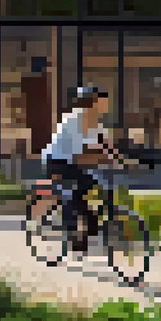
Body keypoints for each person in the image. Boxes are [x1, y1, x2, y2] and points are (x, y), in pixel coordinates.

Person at [41, 86, 119, 253]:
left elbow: (107, 145)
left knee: (90, 186)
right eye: (102, 101)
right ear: (91, 103)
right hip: (56, 161)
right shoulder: (73, 121)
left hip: (73, 161)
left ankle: (91, 224)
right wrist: (102, 159)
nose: (106, 105)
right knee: (70, 193)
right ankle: (74, 234)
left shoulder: (95, 123)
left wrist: (123, 161)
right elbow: (79, 154)